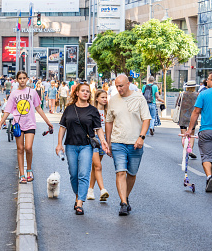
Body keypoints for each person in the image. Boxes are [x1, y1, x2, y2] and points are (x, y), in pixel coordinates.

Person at [55, 83, 108, 215]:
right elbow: (62, 127)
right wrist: (59, 144)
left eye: (87, 91)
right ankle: (78, 195)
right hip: (71, 145)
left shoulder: (93, 110)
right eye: (82, 91)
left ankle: (80, 203)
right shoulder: (69, 109)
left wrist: (103, 141)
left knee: (83, 174)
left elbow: (98, 128)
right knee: (74, 174)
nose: (85, 93)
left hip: (86, 146)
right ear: (77, 93)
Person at [105, 74, 151, 216]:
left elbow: (146, 119)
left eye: (121, 86)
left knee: (131, 173)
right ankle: (123, 202)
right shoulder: (112, 100)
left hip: (135, 143)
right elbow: (109, 121)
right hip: (118, 142)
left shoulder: (139, 98)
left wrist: (141, 137)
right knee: (120, 172)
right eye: (116, 86)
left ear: (128, 84)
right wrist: (108, 141)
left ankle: (126, 196)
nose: (119, 89)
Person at [0, 71, 53, 183]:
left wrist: (48, 122)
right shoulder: (14, 94)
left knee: (28, 147)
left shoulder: (32, 92)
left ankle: (29, 170)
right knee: (20, 149)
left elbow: (39, 108)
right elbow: (7, 110)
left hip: (30, 123)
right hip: (18, 124)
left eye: (24, 78)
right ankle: (22, 174)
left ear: (27, 79)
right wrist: (0, 124)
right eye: (20, 78)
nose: (22, 80)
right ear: (17, 80)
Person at [87, 89, 110, 201]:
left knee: (95, 166)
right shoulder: (92, 110)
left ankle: (90, 190)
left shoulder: (108, 112)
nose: (105, 99)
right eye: (102, 97)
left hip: (103, 140)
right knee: (98, 166)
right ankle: (102, 190)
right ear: (96, 98)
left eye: (106, 97)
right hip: (93, 139)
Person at [177, 80, 199, 158]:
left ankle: (185, 149)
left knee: (184, 135)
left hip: (182, 117)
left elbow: (177, 104)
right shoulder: (197, 95)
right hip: (192, 117)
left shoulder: (182, 94)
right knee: (192, 135)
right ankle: (190, 149)